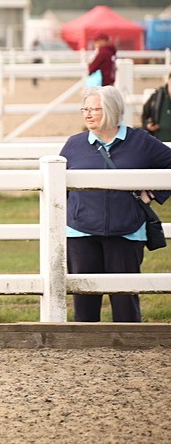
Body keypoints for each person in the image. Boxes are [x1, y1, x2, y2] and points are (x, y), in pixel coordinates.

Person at [60, 85, 171, 323]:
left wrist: (151, 193)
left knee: (125, 301)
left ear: (111, 110)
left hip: (127, 231)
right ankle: (85, 348)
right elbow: (60, 187)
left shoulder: (141, 141)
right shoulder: (74, 144)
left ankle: (130, 346)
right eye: (85, 109)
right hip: (80, 232)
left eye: (94, 109)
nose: (87, 114)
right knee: (84, 300)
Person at [141, 73, 171, 141]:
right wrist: (148, 125)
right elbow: (145, 116)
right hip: (159, 145)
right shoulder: (157, 97)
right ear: (168, 81)